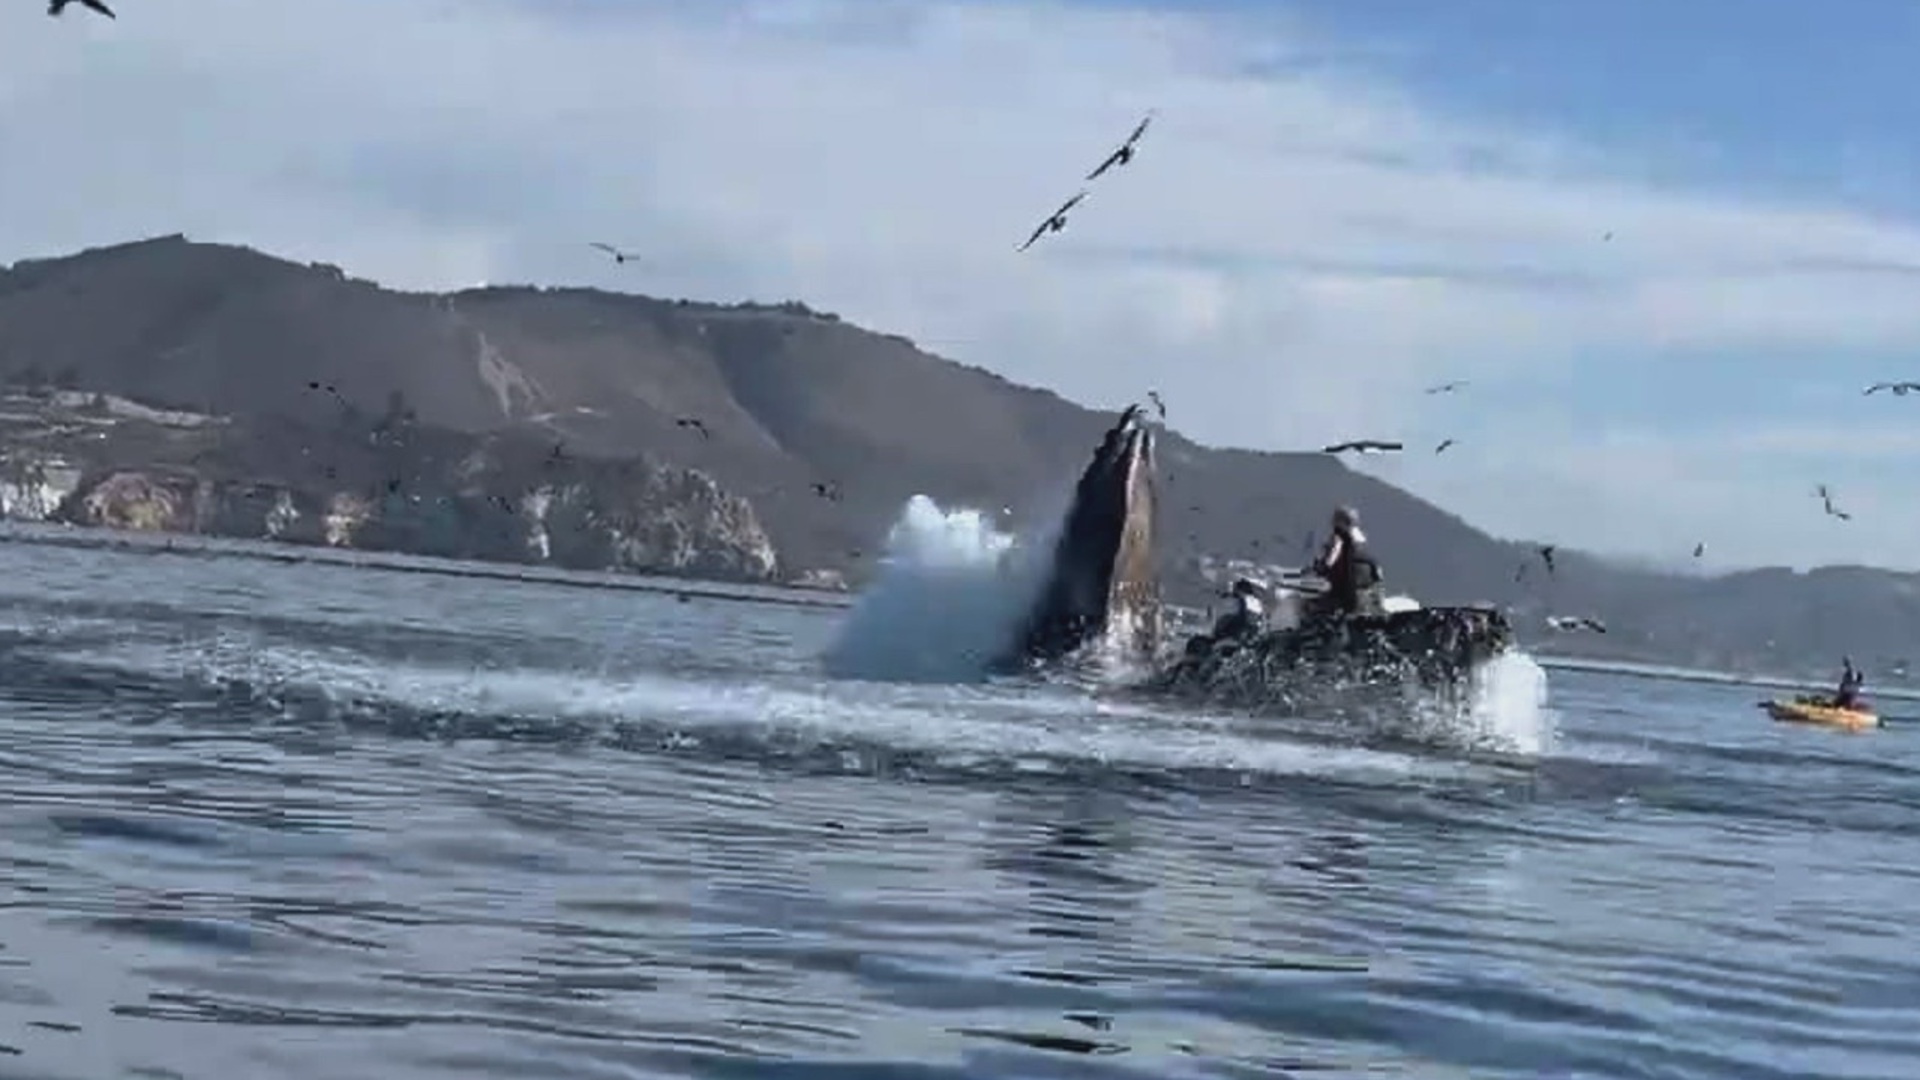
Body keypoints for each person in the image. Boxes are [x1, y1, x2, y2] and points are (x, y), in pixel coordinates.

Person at [1309, 504, 1385, 618]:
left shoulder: (1338, 540)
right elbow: (1378, 576)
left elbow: (1327, 564)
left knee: (1308, 605)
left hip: (1343, 599)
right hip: (1367, 599)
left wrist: (1318, 567)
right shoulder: (1362, 542)